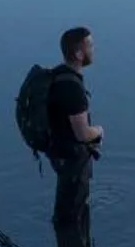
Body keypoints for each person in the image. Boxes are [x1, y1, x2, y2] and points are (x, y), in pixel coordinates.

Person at [44, 26, 102, 226]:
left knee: (65, 206)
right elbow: (83, 134)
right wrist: (99, 131)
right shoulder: (73, 90)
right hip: (71, 158)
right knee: (73, 214)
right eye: (90, 46)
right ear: (79, 53)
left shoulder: (58, 74)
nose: (93, 50)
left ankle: (66, 245)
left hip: (57, 151)